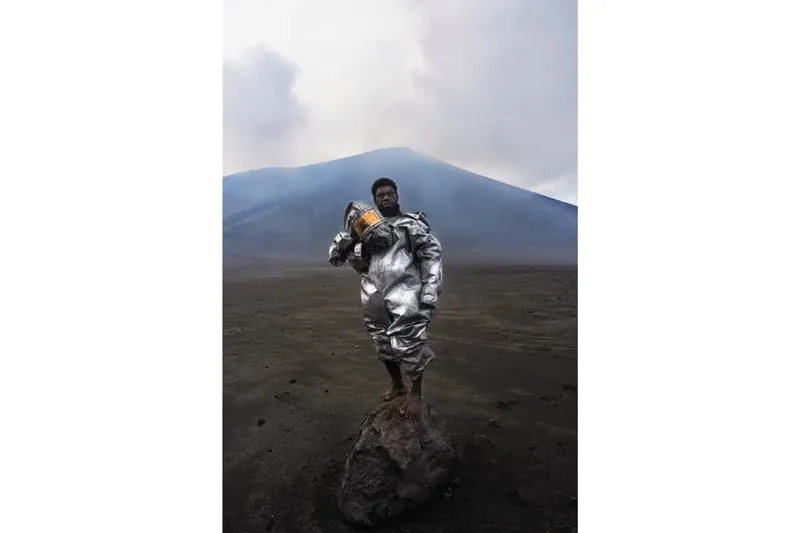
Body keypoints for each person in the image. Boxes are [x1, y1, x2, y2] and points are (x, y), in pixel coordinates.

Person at [328, 177, 443, 420]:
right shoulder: (362, 227)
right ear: (374, 200)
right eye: (380, 195)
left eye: (390, 193)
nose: (386, 197)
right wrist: (348, 244)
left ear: (397, 196)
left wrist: (430, 292)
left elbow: (431, 257)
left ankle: (416, 392)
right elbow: (337, 255)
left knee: (409, 342)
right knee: (382, 342)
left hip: (405, 292)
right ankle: (397, 384)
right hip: (372, 293)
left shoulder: (411, 225)